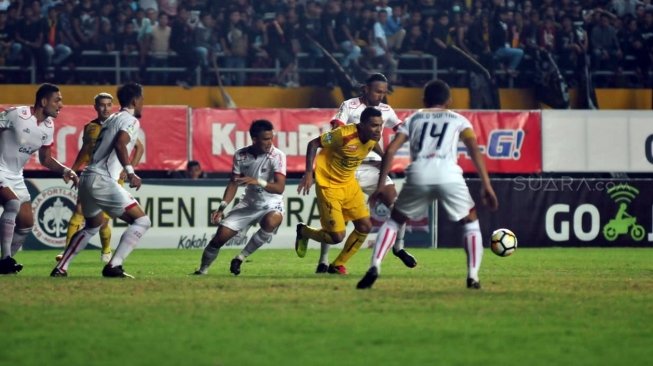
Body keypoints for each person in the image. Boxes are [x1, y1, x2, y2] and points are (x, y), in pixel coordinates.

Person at [357, 80, 499, 290]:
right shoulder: (459, 119)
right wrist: (486, 184)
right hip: (449, 175)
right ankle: (473, 276)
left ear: (424, 100)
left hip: (419, 173)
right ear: (448, 101)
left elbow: (390, 151)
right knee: (470, 222)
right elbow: (474, 150)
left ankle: (375, 266)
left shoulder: (414, 118)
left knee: (394, 221)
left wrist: (380, 185)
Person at [315, 73, 416, 274]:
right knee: (339, 220)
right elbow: (337, 130)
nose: (381, 96)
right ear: (366, 89)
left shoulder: (386, 110)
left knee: (397, 206)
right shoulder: (349, 106)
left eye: (384, 92)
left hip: (374, 167)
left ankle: (399, 247)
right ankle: (324, 260)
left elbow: (401, 129)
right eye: (378, 91)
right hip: (347, 168)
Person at [50, 83, 151, 278]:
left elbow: (92, 147)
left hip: (87, 177)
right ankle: (114, 265)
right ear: (134, 100)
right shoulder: (130, 120)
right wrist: (130, 172)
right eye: (142, 100)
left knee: (92, 226)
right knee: (142, 221)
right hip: (103, 179)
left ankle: (61, 267)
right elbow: (120, 144)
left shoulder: (112, 119)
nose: (143, 104)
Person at [0, 83, 78, 274]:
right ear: (44, 101)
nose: (61, 105)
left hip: (16, 175)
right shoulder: (16, 114)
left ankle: (5, 263)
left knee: (26, 222)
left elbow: (45, 159)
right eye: (57, 100)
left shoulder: (48, 126)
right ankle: (5, 260)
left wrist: (64, 170)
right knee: (12, 204)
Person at [294, 107, 383, 275]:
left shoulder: (373, 137)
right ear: (362, 125)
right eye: (374, 125)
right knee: (336, 237)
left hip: (349, 185)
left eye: (380, 125)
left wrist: (384, 155)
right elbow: (313, 144)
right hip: (329, 186)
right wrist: (308, 173)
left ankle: (337, 265)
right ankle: (304, 231)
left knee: (365, 226)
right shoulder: (343, 134)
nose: (378, 130)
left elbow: (374, 144)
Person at [193, 120, 286, 276]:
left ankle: (240, 257)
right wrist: (222, 207)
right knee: (219, 237)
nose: (270, 142)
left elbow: (279, 188)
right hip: (248, 203)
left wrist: (258, 181)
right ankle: (202, 271)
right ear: (254, 139)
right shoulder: (241, 155)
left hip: (271, 203)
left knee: (272, 220)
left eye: (271, 138)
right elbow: (233, 183)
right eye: (265, 139)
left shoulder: (277, 156)